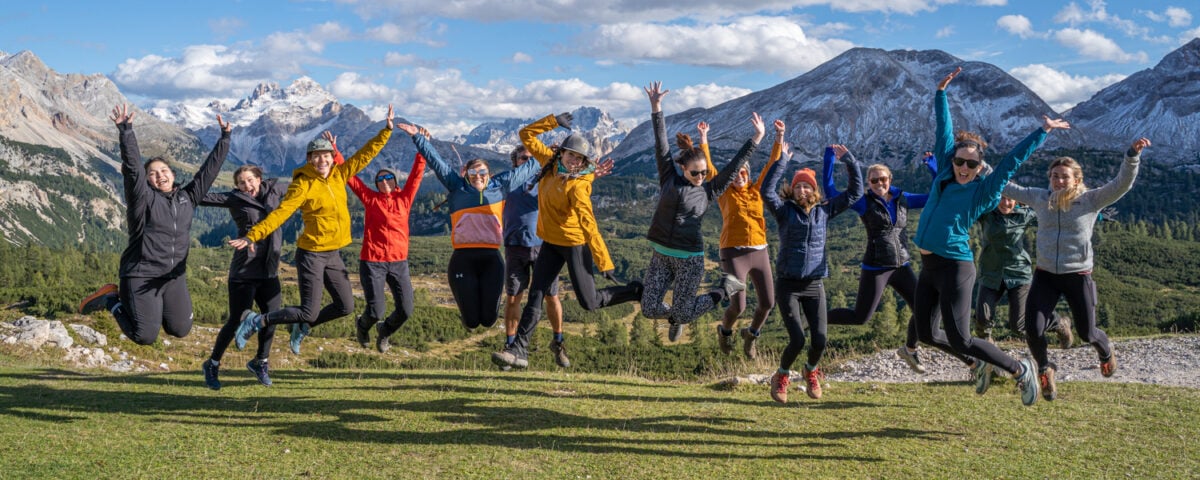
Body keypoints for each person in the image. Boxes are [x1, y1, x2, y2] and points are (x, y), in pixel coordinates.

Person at [912, 67, 1070, 406]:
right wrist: (940, 94)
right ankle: (978, 363)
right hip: (929, 266)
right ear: (952, 159)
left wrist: (1042, 131)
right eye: (960, 161)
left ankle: (1018, 369)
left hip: (955, 266)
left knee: (962, 337)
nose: (964, 168)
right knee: (926, 333)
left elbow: (1011, 163)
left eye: (971, 164)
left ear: (979, 166)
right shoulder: (944, 171)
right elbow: (944, 130)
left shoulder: (984, 192)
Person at [230, 106, 395, 354]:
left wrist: (386, 131)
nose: (321, 160)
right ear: (309, 159)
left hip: (332, 253)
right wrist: (253, 234)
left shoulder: (340, 174)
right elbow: (281, 213)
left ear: (332, 156)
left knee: (345, 306)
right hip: (311, 255)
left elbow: (365, 156)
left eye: (325, 155)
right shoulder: (303, 184)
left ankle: (302, 327)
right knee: (309, 310)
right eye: (316, 156)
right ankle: (256, 320)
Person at [491, 110, 644, 369]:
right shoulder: (548, 163)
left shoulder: (580, 185)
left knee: (590, 302)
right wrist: (552, 122)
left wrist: (603, 262)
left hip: (573, 245)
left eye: (580, 158)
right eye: (571, 154)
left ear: (585, 162)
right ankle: (519, 350)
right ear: (561, 153)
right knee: (536, 296)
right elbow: (525, 134)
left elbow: (589, 225)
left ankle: (635, 290)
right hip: (549, 243)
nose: (574, 161)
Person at [1003, 137, 1149, 401]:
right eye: (1055, 176)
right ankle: (1045, 371)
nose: (1059, 181)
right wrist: (979, 167)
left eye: (1065, 177)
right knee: (1033, 329)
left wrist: (1131, 156)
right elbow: (1006, 186)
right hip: (1045, 275)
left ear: (1076, 179)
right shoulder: (1039, 197)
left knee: (1087, 332)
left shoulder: (1091, 200)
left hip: (1078, 275)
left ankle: (1105, 352)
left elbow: (1121, 184)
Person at [80, 105, 230, 346]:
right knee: (144, 336)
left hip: (173, 277)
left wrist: (225, 138)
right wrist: (126, 131)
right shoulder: (143, 200)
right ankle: (111, 299)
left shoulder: (188, 197)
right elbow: (132, 170)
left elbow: (208, 173)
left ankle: (150, 308)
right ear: (147, 180)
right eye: (153, 173)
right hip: (141, 275)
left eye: (164, 170)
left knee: (180, 329)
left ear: (172, 173)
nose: (160, 175)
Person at [824, 152, 973, 374]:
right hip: (875, 268)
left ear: (890, 179)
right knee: (860, 317)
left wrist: (933, 167)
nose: (879, 183)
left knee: (922, 309)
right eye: (874, 180)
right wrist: (830, 158)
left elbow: (936, 194)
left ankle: (910, 349)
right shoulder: (863, 202)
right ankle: (815, 316)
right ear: (868, 183)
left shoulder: (903, 198)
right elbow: (831, 191)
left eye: (882, 179)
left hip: (902, 265)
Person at [399, 122, 542, 332]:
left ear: (489, 174)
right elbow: (437, 162)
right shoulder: (457, 187)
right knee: (472, 320)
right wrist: (417, 138)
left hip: (492, 258)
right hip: (462, 259)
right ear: (467, 174)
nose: (478, 176)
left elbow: (531, 166)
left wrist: (549, 152)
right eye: (473, 173)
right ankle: (467, 316)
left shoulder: (500, 185)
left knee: (489, 319)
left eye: (482, 172)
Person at [638, 81, 753, 343]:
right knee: (649, 308)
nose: (701, 177)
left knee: (686, 313)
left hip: (690, 259)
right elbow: (661, 143)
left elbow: (735, 166)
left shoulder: (709, 189)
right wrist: (656, 106)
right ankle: (677, 316)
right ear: (682, 168)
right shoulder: (668, 176)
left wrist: (755, 140)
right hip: (661, 255)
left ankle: (724, 289)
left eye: (704, 172)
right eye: (695, 173)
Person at [762, 140, 862, 403]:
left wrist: (850, 161)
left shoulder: (824, 211)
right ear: (792, 190)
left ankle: (810, 371)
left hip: (814, 285)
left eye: (807, 186)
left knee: (819, 339)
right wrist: (781, 161)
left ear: (814, 190)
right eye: (798, 186)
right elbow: (766, 190)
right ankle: (781, 376)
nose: (803, 189)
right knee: (796, 339)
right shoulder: (784, 212)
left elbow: (855, 193)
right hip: (788, 285)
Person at [323, 131, 426, 354]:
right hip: (372, 261)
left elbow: (416, 176)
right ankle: (363, 325)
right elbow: (351, 178)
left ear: (395, 182)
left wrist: (422, 146)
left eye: (388, 178)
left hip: (399, 262)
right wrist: (335, 152)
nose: (384, 182)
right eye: (380, 179)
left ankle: (385, 330)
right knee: (376, 309)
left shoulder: (404, 199)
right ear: (376, 184)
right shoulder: (370, 199)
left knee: (406, 310)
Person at [197, 164, 285, 389]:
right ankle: (213, 363)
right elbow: (200, 196)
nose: (247, 186)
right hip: (244, 270)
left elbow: (306, 187)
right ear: (237, 186)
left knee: (271, 317)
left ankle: (260, 362)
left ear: (259, 178)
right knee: (236, 320)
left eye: (250, 180)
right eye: (241, 183)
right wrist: (170, 188)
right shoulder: (234, 198)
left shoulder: (276, 189)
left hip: (269, 269)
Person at [700, 119, 775, 359]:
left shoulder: (757, 191)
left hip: (759, 252)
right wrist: (703, 139)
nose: (740, 176)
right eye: (736, 173)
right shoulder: (724, 194)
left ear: (748, 176)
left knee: (767, 303)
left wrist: (779, 138)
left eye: (744, 173)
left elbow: (771, 166)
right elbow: (710, 169)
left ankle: (751, 335)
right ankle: (724, 331)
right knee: (739, 306)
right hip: (733, 253)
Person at [973, 195, 1073, 349]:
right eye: (1002, 198)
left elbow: (1053, 216)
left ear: (1017, 200)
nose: (1006, 203)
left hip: (1018, 273)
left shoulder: (1025, 214)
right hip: (990, 273)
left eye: (1010, 199)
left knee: (1019, 326)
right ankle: (990, 352)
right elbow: (964, 206)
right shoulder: (986, 213)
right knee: (982, 319)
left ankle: (1059, 323)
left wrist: (1096, 216)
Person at [502, 144, 568, 368]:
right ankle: (511, 346)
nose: (528, 162)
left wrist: (556, 155)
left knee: (551, 297)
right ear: (516, 161)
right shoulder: (510, 183)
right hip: (514, 246)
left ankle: (558, 341)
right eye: (523, 158)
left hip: (544, 246)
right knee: (513, 298)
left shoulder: (547, 181)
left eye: (533, 158)